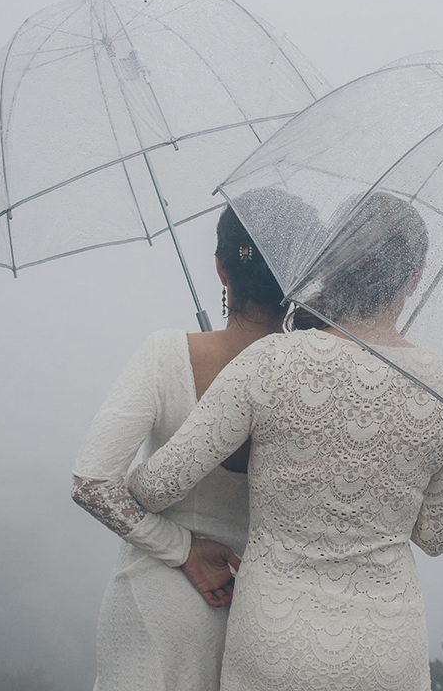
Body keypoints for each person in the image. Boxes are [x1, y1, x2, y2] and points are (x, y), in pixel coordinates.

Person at [128, 192, 443, 691]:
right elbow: (436, 537)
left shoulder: (270, 360)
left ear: (327, 260)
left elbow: (155, 489)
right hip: (388, 652)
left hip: (275, 642)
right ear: (416, 278)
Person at [71, 194, 308, 691]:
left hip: (156, 601)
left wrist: (183, 549)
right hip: (265, 614)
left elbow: (92, 484)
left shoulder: (168, 353)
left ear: (221, 268)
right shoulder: (314, 378)